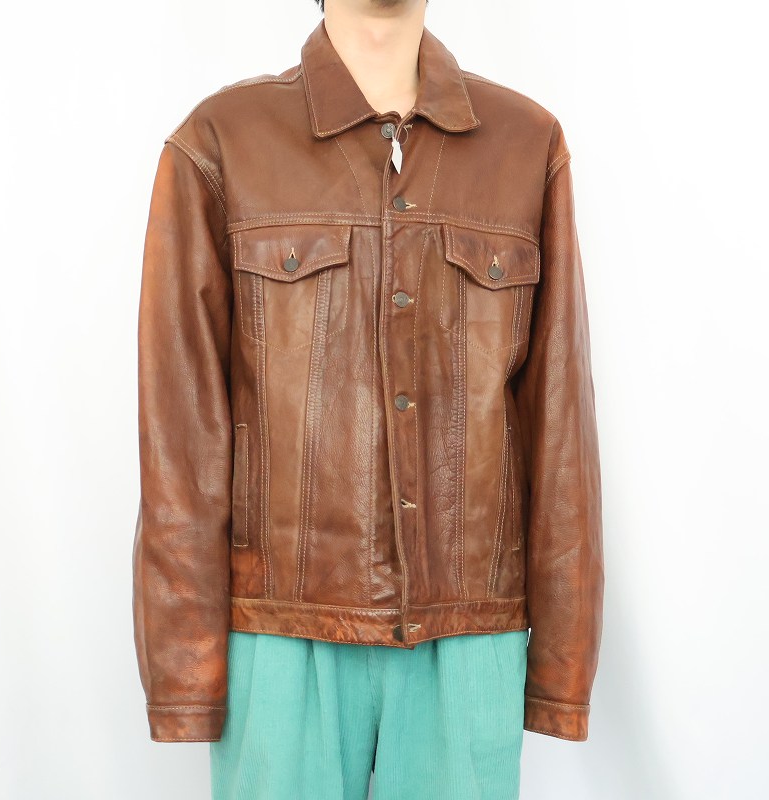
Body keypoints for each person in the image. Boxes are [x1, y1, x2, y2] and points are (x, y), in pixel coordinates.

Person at [131, 1, 605, 798]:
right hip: (279, 632)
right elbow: (181, 437)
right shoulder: (220, 143)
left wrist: (562, 663)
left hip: (468, 634)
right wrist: (185, 668)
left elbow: (561, 423)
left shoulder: (526, 147)